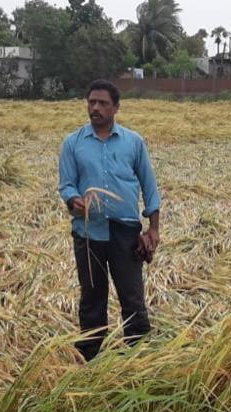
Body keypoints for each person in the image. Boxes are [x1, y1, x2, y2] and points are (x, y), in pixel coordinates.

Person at [58, 80, 162, 361]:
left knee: (132, 298)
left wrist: (153, 228)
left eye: (103, 103)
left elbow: (149, 186)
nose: (95, 108)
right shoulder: (73, 143)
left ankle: (138, 356)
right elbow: (66, 185)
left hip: (125, 232)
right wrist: (73, 200)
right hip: (88, 232)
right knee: (92, 297)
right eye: (91, 102)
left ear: (116, 107)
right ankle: (89, 357)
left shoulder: (133, 142)